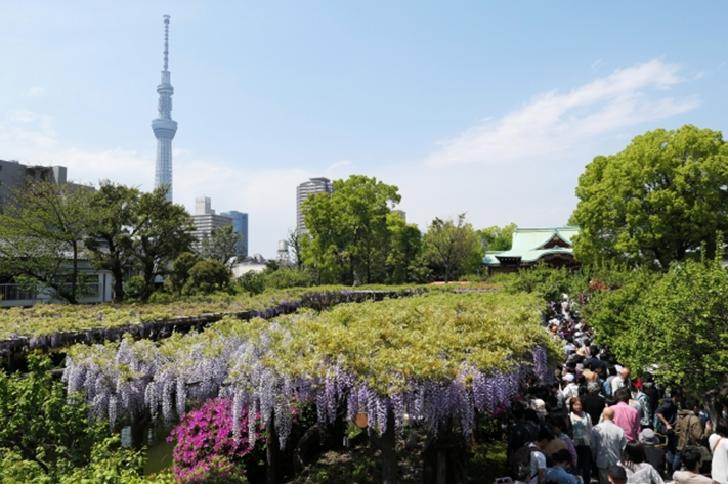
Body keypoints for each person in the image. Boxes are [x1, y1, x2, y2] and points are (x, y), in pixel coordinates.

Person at [674, 398, 712, 472]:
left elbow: (677, 431)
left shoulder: (681, 416)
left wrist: (684, 436)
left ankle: (674, 474)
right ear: (695, 407)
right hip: (692, 446)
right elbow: (699, 436)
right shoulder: (695, 419)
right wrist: (708, 430)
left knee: (681, 462)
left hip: (682, 444)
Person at [592, 407, 627, 484]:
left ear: (603, 415)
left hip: (601, 460)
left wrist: (594, 456)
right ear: (613, 416)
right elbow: (623, 447)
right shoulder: (619, 430)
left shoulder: (595, 429)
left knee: (603, 480)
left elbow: (593, 446)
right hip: (615, 460)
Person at [567, 398, 593, 484]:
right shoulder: (569, 415)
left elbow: (590, 429)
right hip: (573, 443)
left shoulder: (587, 415)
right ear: (572, 406)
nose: (578, 407)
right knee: (575, 464)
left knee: (586, 465)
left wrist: (590, 441)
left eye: (579, 405)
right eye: (575, 405)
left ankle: (586, 481)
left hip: (585, 443)